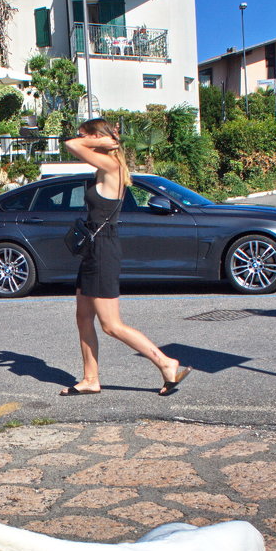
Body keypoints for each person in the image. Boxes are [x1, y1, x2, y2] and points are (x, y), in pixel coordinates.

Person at [60, 119, 190, 396]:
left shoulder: (111, 166)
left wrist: (103, 141)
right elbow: (76, 143)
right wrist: (101, 142)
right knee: (83, 316)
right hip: (93, 247)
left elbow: (71, 145)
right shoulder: (102, 166)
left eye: (86, 135)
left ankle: (166, 362)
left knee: (111, 325)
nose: (79, 138)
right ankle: (90, 379)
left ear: (97, 137)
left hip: (103, 248)